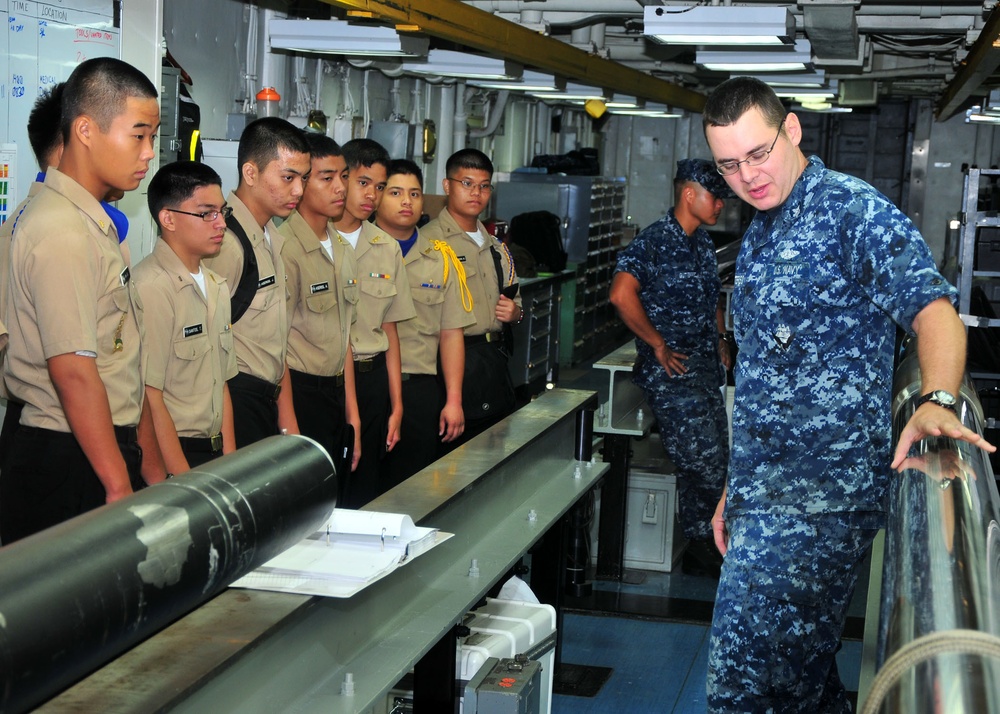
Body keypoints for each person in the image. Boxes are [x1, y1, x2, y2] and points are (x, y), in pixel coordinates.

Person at [701, 76, 995, 710]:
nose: (747, 175)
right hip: (766, 496)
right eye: (729, 165)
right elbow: (764, 379)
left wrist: (937, 400)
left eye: (759, 153)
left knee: (741, 690)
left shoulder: (849, 211)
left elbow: (934, 312)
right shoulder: (762, 225)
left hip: (820, 506)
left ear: (793, 131)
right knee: (800, 683)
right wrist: (738, 483)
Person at [0, 57, 166, 544]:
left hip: (94, 445)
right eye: (138, 135)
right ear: (86, 130)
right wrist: (117, 485)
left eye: (153, 137)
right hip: (66, 455)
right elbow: (73, 370)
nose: (149, 153)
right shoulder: (61, 230)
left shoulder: (89, 222)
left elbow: (120, 362)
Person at [609, 158, 734, 577]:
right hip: (673, 376)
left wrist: (720, 338)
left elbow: (712, 296)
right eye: (715, 196)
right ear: (689, 194)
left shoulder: (699, 242)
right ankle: (716, 540)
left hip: (702, 371)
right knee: (706, 464)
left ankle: (702, 545)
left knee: (715, 458)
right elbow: (622, 295)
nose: (721, 205)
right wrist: (657, 344)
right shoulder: (655, 241)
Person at [204, 117, 310, 447]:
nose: (299, 190)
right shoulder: (226, 243)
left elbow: (274, 343)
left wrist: (286, 417)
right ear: (251, 174)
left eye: (303, 178)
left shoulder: (269, 236)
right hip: (236, 401)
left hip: (266, 398)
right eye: (288, 177)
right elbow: (205, 349)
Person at [375, 159, 474, 492]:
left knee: (414, 489)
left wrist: (454, 399)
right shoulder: (354, 252)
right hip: (369, 385)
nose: (407, 201)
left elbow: (451, 334)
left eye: (415, 193)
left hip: (419, 387)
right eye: (396, 192)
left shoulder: (442, 259)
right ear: (378, 196)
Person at [133, 161, 237, 473]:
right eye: (207, 213)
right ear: (168, 218)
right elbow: (150, 398)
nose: (221, 224)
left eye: (223, 212)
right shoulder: (151, 287)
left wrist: (232, 464)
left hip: (214, 451)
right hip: (175, 455)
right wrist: (182, 478)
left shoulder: (216, 285)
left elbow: (222, 384)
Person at [332, 139, 415, 508]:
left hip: (372, 380)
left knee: (366, 494)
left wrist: (396, 405)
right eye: (363, 182)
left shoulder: (385, 246)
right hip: (328, 383)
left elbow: (390, 330)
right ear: (342, 179)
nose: (372, 195)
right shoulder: (309, 240)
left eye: (380, 187)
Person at [420, 149, 522, 444]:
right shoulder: (430, 243)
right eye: (467, 183)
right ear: (447, 186)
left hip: (494, 363)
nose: (476, 193)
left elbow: (516, 299)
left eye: (484, 185)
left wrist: (517, 314)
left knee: (493, 457)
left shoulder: (496, 246)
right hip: (450, 364)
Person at [279, 132, 362, 488]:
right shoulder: (284, 248)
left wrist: (352, 415)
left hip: (335, 394)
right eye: (327, 178)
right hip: (299, 395)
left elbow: (344, 336)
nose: (340, 187)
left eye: (343, 176)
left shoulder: (342, 248)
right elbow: (276, 346)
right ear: (300, 185)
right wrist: (290, 429)